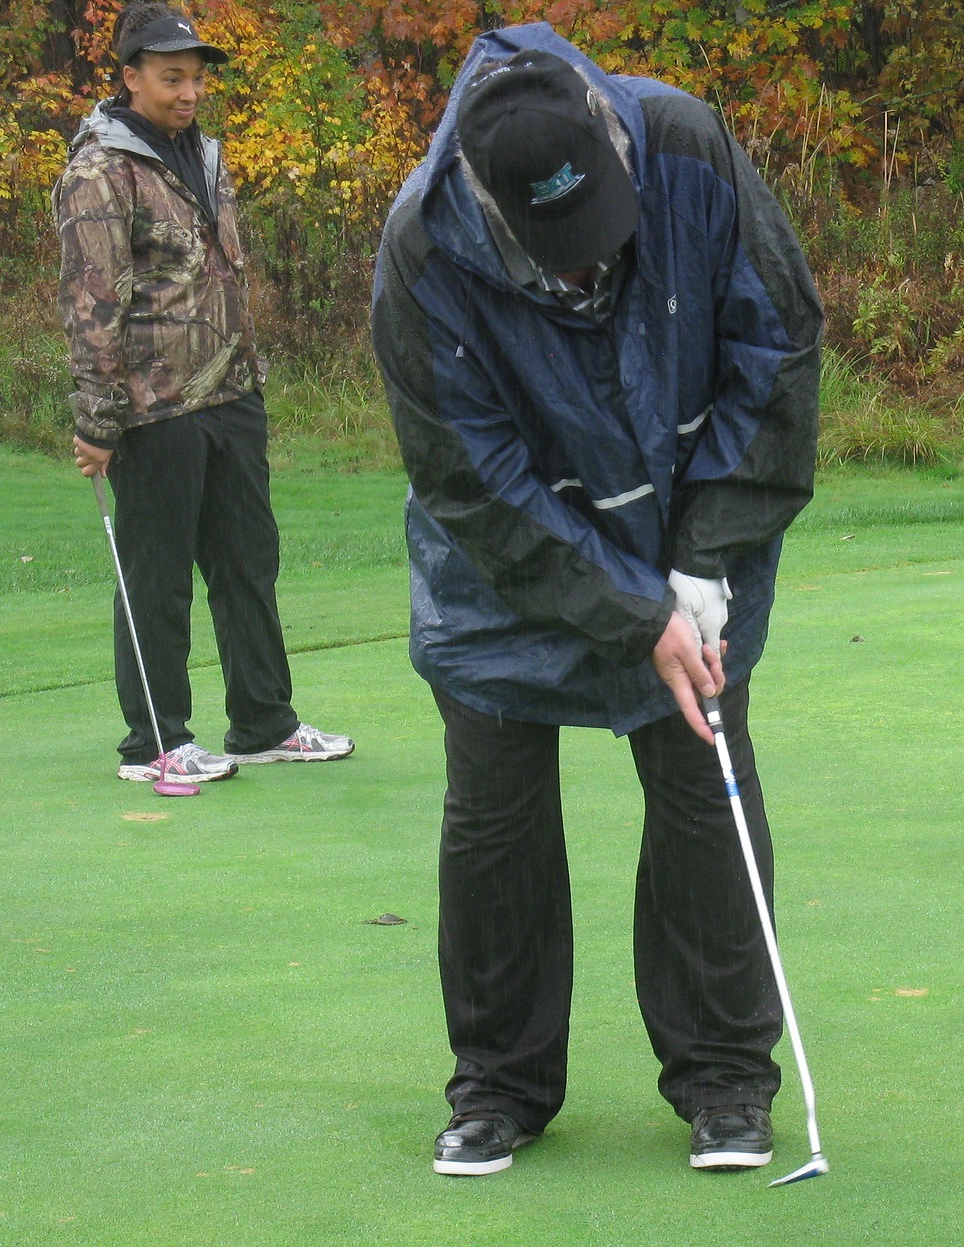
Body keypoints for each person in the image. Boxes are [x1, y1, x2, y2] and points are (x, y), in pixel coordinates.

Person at [370, 25, 822, 1176]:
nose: (586, 267)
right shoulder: (423, 247)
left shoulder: (682, 145)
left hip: (689, 521)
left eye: (598, 233)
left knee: (700, 783)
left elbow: (772, 351)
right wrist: (630, 609)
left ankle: (725, 1079)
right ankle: (499, 1087)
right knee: (495, 811)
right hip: (507, 566)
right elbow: (472, 480)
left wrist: (703, 563)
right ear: (491, 203)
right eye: (554, 248)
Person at [55, 1, 352, 783]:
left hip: (230, 393)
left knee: (249, 561)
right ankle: (154, 739)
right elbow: (93, 303)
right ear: (131, 76)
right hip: (153, 408)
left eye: (195, 79)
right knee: (156, 574)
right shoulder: (100, 168)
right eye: (171, 78)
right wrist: (97, 418)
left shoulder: (203, 154)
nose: (188, 94)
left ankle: (263, 720)